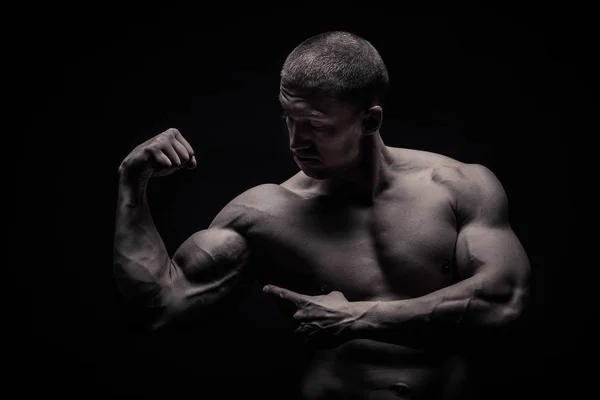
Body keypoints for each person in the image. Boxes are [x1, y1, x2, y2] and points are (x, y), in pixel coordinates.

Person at [113, 31, 531, 399]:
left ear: (370, 120)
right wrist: (133, 182)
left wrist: (358, 317)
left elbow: (505, 301)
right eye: (289, 120)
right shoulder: (265, 213)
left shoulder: (459, 186)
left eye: (317, 127)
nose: (297, 142)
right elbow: (161, 306)